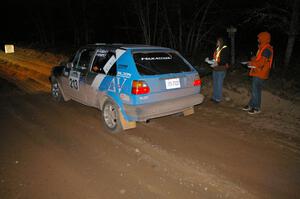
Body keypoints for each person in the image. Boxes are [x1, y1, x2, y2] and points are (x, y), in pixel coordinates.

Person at [243, 32, 273, 114]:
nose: (258, 39)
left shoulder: (266, 49)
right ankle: (251, 105)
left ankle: (256, 107)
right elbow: (258, 60)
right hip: (258, 71)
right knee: (255, 90)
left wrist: (251, 63)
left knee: (255, 90)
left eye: (259, 38)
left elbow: (261, 63)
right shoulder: (263, 48)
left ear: (263, 38)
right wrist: (252, 60)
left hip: (260, 73)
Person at [206, 37, 230, 103]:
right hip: (215, 69)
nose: (216, 42)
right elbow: (215, 59)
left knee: (219, 84)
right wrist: (209, 61)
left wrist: (217, 63)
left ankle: (218, 98)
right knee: (215, 84)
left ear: (220, 42)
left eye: (217, 41)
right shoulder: (217, 49)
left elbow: (225, 60)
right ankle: (214, 97)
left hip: (221, 69)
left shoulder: (225, 49)